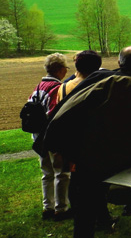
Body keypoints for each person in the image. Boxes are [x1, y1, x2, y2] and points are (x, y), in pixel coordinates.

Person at [43, 46, 131, 238]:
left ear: (119, 63)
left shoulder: (98, 81)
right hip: (126, 159)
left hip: (89, 158)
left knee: (84, 215)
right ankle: (121, 211)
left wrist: (59, 145)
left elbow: (68, 110)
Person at [29, 53, 70, 221]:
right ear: (60, 70)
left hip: (38, 136)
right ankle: (61, 209)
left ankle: (48, 207)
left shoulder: (39, 86)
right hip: (52, 137)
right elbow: (55, 115)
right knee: (62, 173)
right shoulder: (57, 88)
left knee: (46, 172)